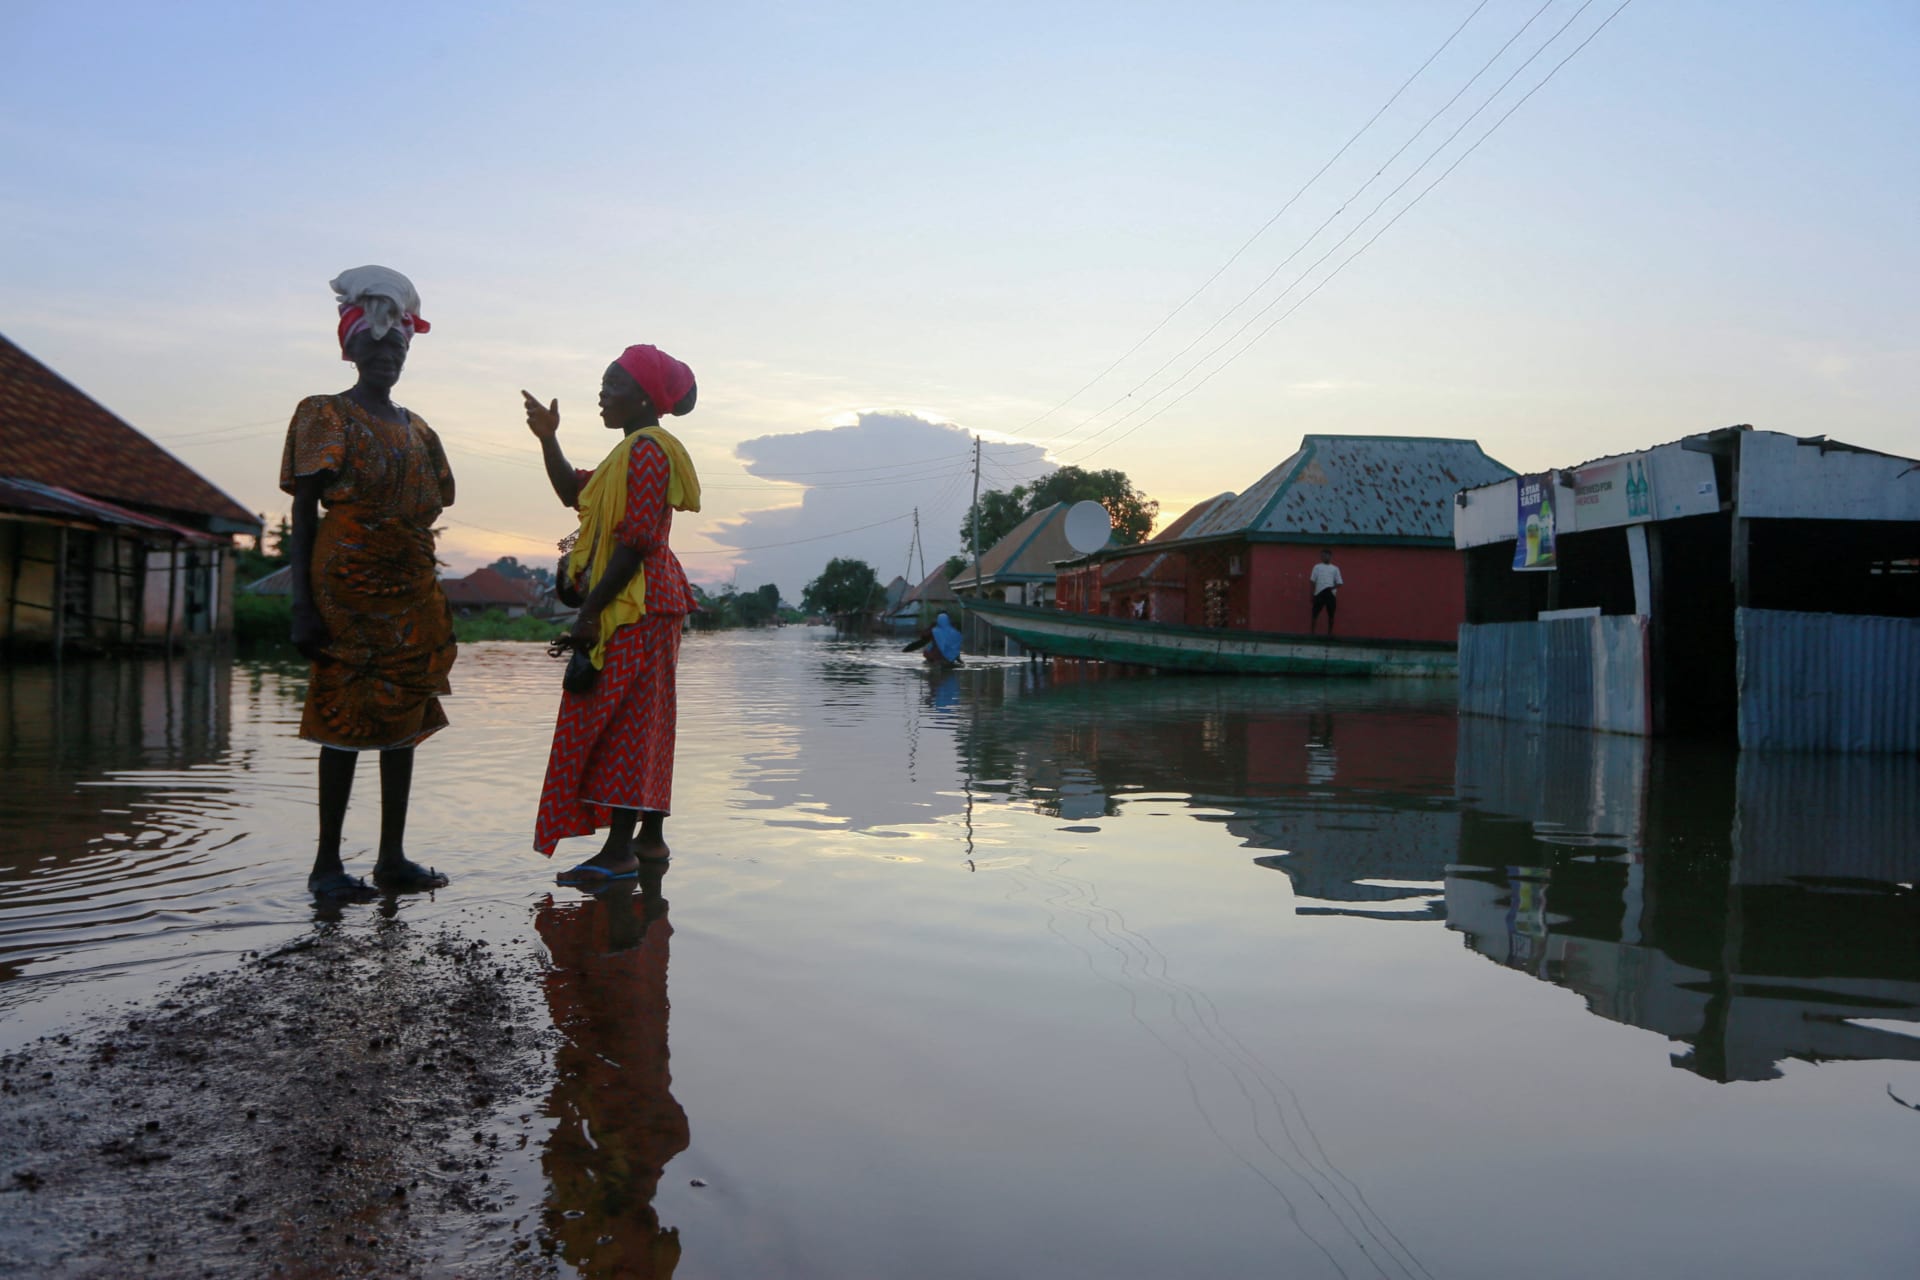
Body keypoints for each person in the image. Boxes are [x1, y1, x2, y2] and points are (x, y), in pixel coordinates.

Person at [281, 266, 456, 899]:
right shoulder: (325, 413)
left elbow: (436, 501)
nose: (385, 355)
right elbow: (304, 510)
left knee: (403, 716)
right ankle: (327, 865)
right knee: (344, 716)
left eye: (396, 347)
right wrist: (302, 604)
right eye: (373, 345)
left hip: (411, 589)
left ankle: (391, 858)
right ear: (350, 348)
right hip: (345, 587)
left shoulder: (420, 429)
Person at [527, 344, 700, 882]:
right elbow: (572, 492)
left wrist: (587, 615)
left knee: (625, 721)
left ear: (645, 397)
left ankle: (620, 852)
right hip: (642, 603)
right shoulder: (625, 454)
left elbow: (638, 541)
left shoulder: (649, 451)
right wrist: (548, 438)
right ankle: (649, 842)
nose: (602, 394)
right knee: (644, 720)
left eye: (613, 385)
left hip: (638, 603)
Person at [1309, 548, 1344, 635]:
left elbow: (1340, 582)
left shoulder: (1335, 568)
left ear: (1330, 556)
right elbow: (1312, 581)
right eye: (1322, 556)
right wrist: (1313, 594)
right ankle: (1312, 633)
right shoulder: (1317, 567)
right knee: (1314, 614)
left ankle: (1329, 633)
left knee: (1331, 615)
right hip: (1319, 593)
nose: (1323, 557)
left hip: (1330, 593)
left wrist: (1332, 588)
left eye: (1325, 555)